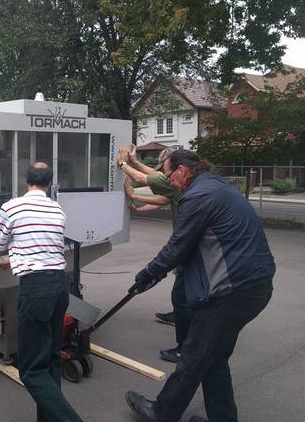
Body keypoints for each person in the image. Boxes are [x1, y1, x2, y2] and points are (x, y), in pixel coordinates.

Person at [125, 150, 275, 422]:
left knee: (193, 357)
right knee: (214, 358)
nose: (169, 181)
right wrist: (158, 274)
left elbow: (178, 247)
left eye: (169, 176)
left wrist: (145, 275)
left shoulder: (198, 196)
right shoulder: (215, 185)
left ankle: (162, 412)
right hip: (256, 287)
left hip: (231, 292)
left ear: (182, 170)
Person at [0, 162, 83, 422]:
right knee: (50, 359)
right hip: (59, 285)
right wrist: (12, 259)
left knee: (30, 370)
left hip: (36, 290)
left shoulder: (11, 207)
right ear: (49, 183)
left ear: (26, 181)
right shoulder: (57, 209)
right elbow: (39, 248)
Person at [118, 145, 189, 363]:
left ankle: (185, 347)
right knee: (185, 291)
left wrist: (123, 163)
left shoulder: (176, 182)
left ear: (179, 169)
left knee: (182, 294)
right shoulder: (183, 181)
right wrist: (139, 206)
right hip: (190, 244)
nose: (164, 175)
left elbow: (145, 177)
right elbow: (163, 197)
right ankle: (185, 320)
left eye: (166, 170)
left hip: (187, 244)